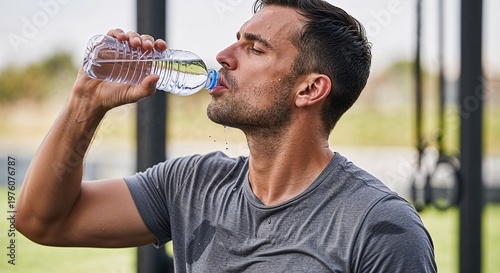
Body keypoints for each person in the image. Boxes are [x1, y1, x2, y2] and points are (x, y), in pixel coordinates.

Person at [16, 0, 437, 272]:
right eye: (237, 39)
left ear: (309, 90)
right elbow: (41, 222)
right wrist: (85, 105)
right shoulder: (190, 186)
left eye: (255, 48)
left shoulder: (380, 228)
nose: (223, 56)